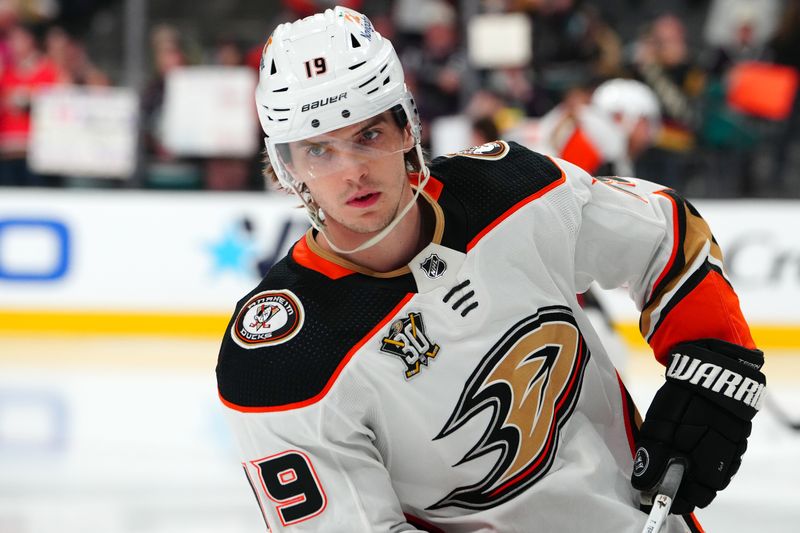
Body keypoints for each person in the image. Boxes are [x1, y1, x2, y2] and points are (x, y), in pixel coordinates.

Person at [216, 7, 766, 532]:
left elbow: (665, 234)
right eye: (319, 151)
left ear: (407, 127)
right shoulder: (282, 361)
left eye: (369, 134)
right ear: (286, 169)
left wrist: (712, 362)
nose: (353, 171)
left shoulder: (513, 191)